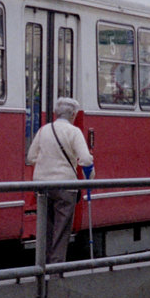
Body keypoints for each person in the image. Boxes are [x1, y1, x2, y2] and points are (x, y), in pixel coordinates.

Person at [26, 97, 94, 263]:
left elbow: (31, 157)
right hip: (65, 186)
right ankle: (56, 267)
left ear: (56, 114)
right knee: (62, 229)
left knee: (46, 227)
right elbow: (85, 159)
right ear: (73, 115)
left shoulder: (44, 130)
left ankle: (42, 264)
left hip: (42, 185)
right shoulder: (74, 132)